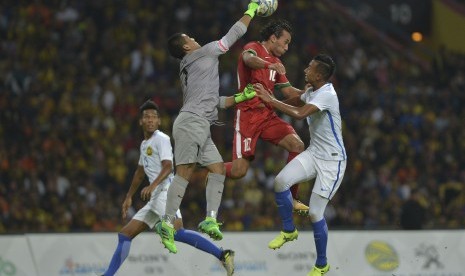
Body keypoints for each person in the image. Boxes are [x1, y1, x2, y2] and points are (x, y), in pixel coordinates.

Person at [158, 1, 261, 254]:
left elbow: (213, 102)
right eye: (189, 37)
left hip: (199, 123)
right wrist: (252, 10)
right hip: (192, 123)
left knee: (217, 168)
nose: (194, 38)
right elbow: (233, 35)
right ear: (186, 46)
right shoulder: (203, 52)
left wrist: (240, 98)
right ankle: (167, 222)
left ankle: (211, 218)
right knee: (185, 172)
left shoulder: (191, 66)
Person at [102, 100, 235, 276]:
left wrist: (153, 185)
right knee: (125, 235)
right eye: (146, 117)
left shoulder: (161, 139)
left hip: (164, 191)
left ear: (159, 121)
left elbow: (168, 166)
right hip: (155, 196)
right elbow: (139, 173)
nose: (150, 120)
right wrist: (128, 196)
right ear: (141, 121)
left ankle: (223, 254)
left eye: (153, 117)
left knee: (178, 232)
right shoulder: (144, 144)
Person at [254, 54, 346, 276]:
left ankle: (322, 264)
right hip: (315, 153)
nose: (306, 69)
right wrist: (268, 108)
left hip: (332, 162)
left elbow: (298, 113)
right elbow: (296, 100)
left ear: (319, 75)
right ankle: (288, 230)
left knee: (315, 214)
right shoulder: (313, 90)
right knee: (280, 182)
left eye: (310, 67)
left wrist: (271, 100)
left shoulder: (327, 94)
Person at [218, 19, 309, 214]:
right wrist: (269, 66)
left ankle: (292, 198)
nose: (287, 47)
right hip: (248, 116)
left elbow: (288, 93)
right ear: (273, 38)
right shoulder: (254, 48)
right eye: (285, 42)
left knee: (297, 145)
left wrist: (307, 93)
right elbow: (247, 59)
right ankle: (210, 168)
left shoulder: (277, 63)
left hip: (267, 116)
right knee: (238, 172)